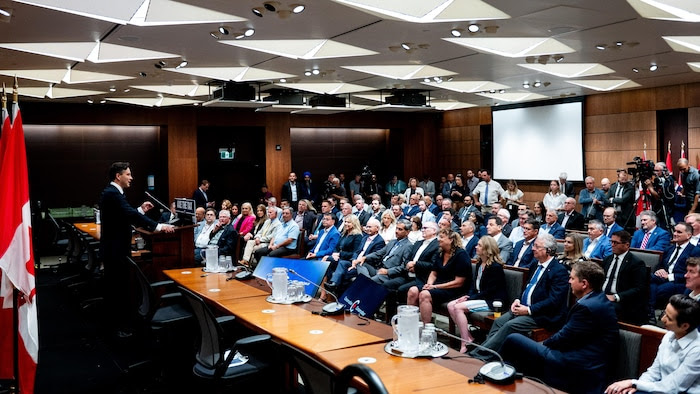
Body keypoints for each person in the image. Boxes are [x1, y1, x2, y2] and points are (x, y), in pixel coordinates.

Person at [502, 261, 618, 394]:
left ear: (584, 284)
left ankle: (497, 378)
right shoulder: (598, 299)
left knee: (513, 339)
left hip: (580, 364)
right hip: (585, 358)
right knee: (526, 348)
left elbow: (563, 337)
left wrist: (543, 344)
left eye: (572, 278)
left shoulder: (586, 307)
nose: (569, 281)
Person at [99, 162, 175, 336]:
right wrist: (158, 227)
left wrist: (140, 210)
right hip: (115, 250)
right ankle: (117, 329)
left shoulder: (113, 193)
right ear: (118, 176)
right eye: (128, 174)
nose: (131, 178)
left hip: (114, 248)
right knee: (117, 290)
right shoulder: (112, 193)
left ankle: (117, 326)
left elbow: (124, 214)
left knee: (117, 288)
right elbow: (128, 214)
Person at [471, 234, 569, 358]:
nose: (533, 248)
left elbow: (554, 300)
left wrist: (528, 310)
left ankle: (481, 355)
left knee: (510, 325)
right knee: (499, 322)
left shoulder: (559, 271)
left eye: (537, 246)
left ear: (548, 251)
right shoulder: (535, 264)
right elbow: (527, 287)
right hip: (522, 307)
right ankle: (490, 353)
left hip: (542, 314)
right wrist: (517, 299)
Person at [605, 294, 700, 394]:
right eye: (664, 313)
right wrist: (637, 386)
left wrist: (633, 383)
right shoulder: (669, 336)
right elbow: (654, 371)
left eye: (669, 318)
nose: (663, 319)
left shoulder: (697, 350)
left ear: (685, 326)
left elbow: (673, 387)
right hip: (659, 388)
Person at [447, 236, 507, 352]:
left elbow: (489, 291)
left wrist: (470, 298)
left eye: (479, 245)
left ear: (487, 249)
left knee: (458, 307)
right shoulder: (480, 264)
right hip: (480, 297)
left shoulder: (495, 267)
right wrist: (467, 296)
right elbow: (474, 286)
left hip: (492, 301)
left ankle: (465, 342)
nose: (476, 247)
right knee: (450, 305)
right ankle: (469, 337)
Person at [407, 229, 471, 324]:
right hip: (438, 286)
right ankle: (410, 325)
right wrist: (429, 285)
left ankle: (426, 328)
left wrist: (434, 287)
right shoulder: (440, 252)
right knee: (413, 291)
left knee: (425, 295)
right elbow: (434, 273)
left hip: (454, 289)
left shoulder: (461, 255)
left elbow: (459, 282)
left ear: (451, 239)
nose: (438, 239)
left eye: (441, 237)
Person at [602, 230, 649, 325]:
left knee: (604, 307)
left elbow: (639, 289)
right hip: (603, 295)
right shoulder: (607, 259)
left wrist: (615, 297)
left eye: (616, 243)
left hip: (621, 300)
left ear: (627, 245)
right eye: (611, 242)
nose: (612, 245)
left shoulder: (636, 263)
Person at [326, 217, 384, 292]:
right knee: (342, 263)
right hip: (355, 262)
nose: (367, 228)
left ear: (377, 228)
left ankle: (341, 294)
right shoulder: (365, 237)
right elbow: (357, 251)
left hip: (365, 265)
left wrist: (357, 262)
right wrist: (354, 260)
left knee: (346, 273)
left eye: (370, 227)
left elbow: (374, 257)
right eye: (367, 226)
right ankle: (333, 284)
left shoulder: (379, 241)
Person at [650, 222, 697, 310]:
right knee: (646, 280)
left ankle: (650, 312)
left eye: (679, 232)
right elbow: (660, 265)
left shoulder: (694, 251)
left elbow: (692, 274)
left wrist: (669, 276)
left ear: (689, 235)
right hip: (662, 278)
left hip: (679, 282)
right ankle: (650, 312)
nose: (675, 234)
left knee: (656, 289)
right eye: (675, 231)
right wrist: (659, 270)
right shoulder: (669, 248)